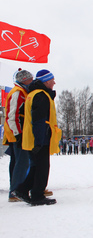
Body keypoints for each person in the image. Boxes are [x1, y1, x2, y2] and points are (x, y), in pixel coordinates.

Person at [15, 69, 62, 205]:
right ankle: (37, 195)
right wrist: (39, 141)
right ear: (46, 81)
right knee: (42, 168)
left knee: (36, 166)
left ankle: (22, 190)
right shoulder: (41, 96)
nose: (54, 82)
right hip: (40, 138)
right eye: (52, 80)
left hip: (34, 137)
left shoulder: (32, 94)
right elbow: (40, 120)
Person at [3, 69, 33, 202]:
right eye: (30, 79)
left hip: (15, 132)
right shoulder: (18, 93)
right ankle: (16, 190)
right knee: (22, 162)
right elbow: (12, 115)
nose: (32, 81)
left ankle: (15, 189)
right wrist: (18, 133)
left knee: (17, 162)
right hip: (17, 132)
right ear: (24, 80)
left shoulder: (22, 92)